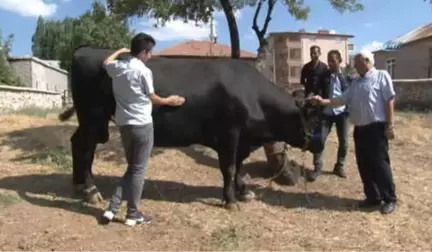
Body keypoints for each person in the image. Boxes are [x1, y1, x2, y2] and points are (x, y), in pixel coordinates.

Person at [101, 33, 185, 226]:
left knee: (132, 169)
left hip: (124, 125)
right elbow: (153, 97)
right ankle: (133, 214)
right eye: (150, 52)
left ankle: (112, 208)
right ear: (143, 52)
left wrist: (120, 51)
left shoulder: (117, 67)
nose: (151, 56)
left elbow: (106, 62)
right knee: (138, 171)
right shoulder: (143, 71)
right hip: (142, 124)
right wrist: (170, 101)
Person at [307, 50, 397, 215]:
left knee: (380, 164)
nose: (354, 65)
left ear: (367, 61)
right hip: (360, 129)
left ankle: (389, 198)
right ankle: (373, 197)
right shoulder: (355, 82)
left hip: (376, 128)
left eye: (356, 62)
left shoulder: (381, 76)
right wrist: (322, 101)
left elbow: (389, 99)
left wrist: (390, 125)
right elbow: (340, 99)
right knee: (363, 164)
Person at [306, 50, 349, 182]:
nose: (330, 63)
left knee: (344, 142)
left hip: (342, 113)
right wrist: (312, 96)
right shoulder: (324, 75)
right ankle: (317, 168)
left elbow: (350, 93)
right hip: (326, 112)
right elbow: (315, 88)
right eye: (329, 60)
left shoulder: (347, 76)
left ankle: (339, 166)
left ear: (339, 61)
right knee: (319, 139)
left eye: (333, 60)